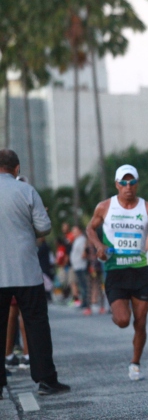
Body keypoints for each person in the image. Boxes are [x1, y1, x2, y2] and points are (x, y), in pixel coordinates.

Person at [87, 164, 148, 380]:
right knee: (123, 320)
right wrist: (99, 246)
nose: (128, 186)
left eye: (132, 182)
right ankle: (116, 314)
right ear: (117, 184)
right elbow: (90, 228)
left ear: (137, 184)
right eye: (124, 182)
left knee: (140, 323)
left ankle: (135, 363)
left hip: (140, 271)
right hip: (116, 271)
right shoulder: (105, 207)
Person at [0, 149, 70, 395]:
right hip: (26, 271)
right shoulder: (27, 191)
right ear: (17, 169)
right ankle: (46, 380)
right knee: (36, 324)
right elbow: (44, 227)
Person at [69, 226, 90, 314]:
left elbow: (84, 253)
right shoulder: (77, 240)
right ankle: (84, 301)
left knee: (84, 285)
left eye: (75, 231)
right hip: (77, 266)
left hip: (81, 265)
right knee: (81, 285)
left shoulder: (81, 240)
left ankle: (86, 302)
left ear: (80, 231)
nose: (74, 233)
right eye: (73, 231)